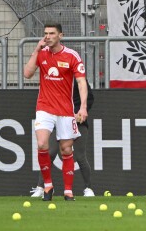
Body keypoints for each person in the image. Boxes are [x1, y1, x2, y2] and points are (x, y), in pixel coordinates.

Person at [24, 22, 88, 201]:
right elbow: (27, 73)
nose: (48, 36)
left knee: (66, 149)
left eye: (52, 33)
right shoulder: (41, 53)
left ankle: (68, 190)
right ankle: (48, 185)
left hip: (65, 110)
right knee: (42, 143)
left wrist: (82, 107)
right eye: (46, 33)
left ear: (61, 35)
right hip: (44, 107)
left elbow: (82, 82)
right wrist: (36, 49)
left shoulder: (71, 56)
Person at [30, 79, 95, 198]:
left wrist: (77, 113)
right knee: (50, 153)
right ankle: (42, 187)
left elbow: (89, 98)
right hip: (59, 120)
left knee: (80, 156)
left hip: (78, 122)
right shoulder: (58, 79)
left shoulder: (79, 80)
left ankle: (88, 188)